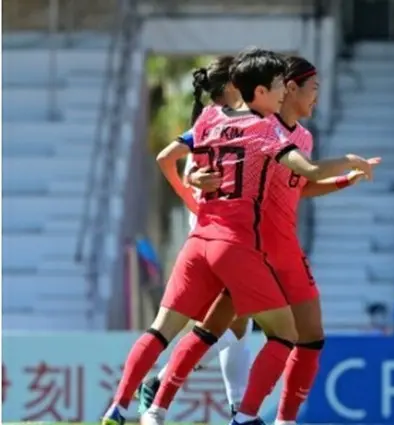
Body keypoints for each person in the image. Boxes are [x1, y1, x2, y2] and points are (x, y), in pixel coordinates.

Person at [101, 48, 375, 425]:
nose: (315, 95)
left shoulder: (227, 120)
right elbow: (304, 171)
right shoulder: (266, 130)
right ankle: (198, 406)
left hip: (245, 243)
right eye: (311, 87)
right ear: (283, 88)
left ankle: (137, 408)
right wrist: (192, 181)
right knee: (240, 330)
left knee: (297, 336)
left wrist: (344, 180)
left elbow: (297, 184)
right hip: (247, 246)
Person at [136, 56, 253, 418]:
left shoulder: (207, 127)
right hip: (218, 242)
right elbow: (196, 180)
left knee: (238, 326)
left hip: (208, 241)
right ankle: (163, 378)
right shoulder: (219, 131)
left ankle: (237, 409)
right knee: (226, 326)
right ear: (232, 87)